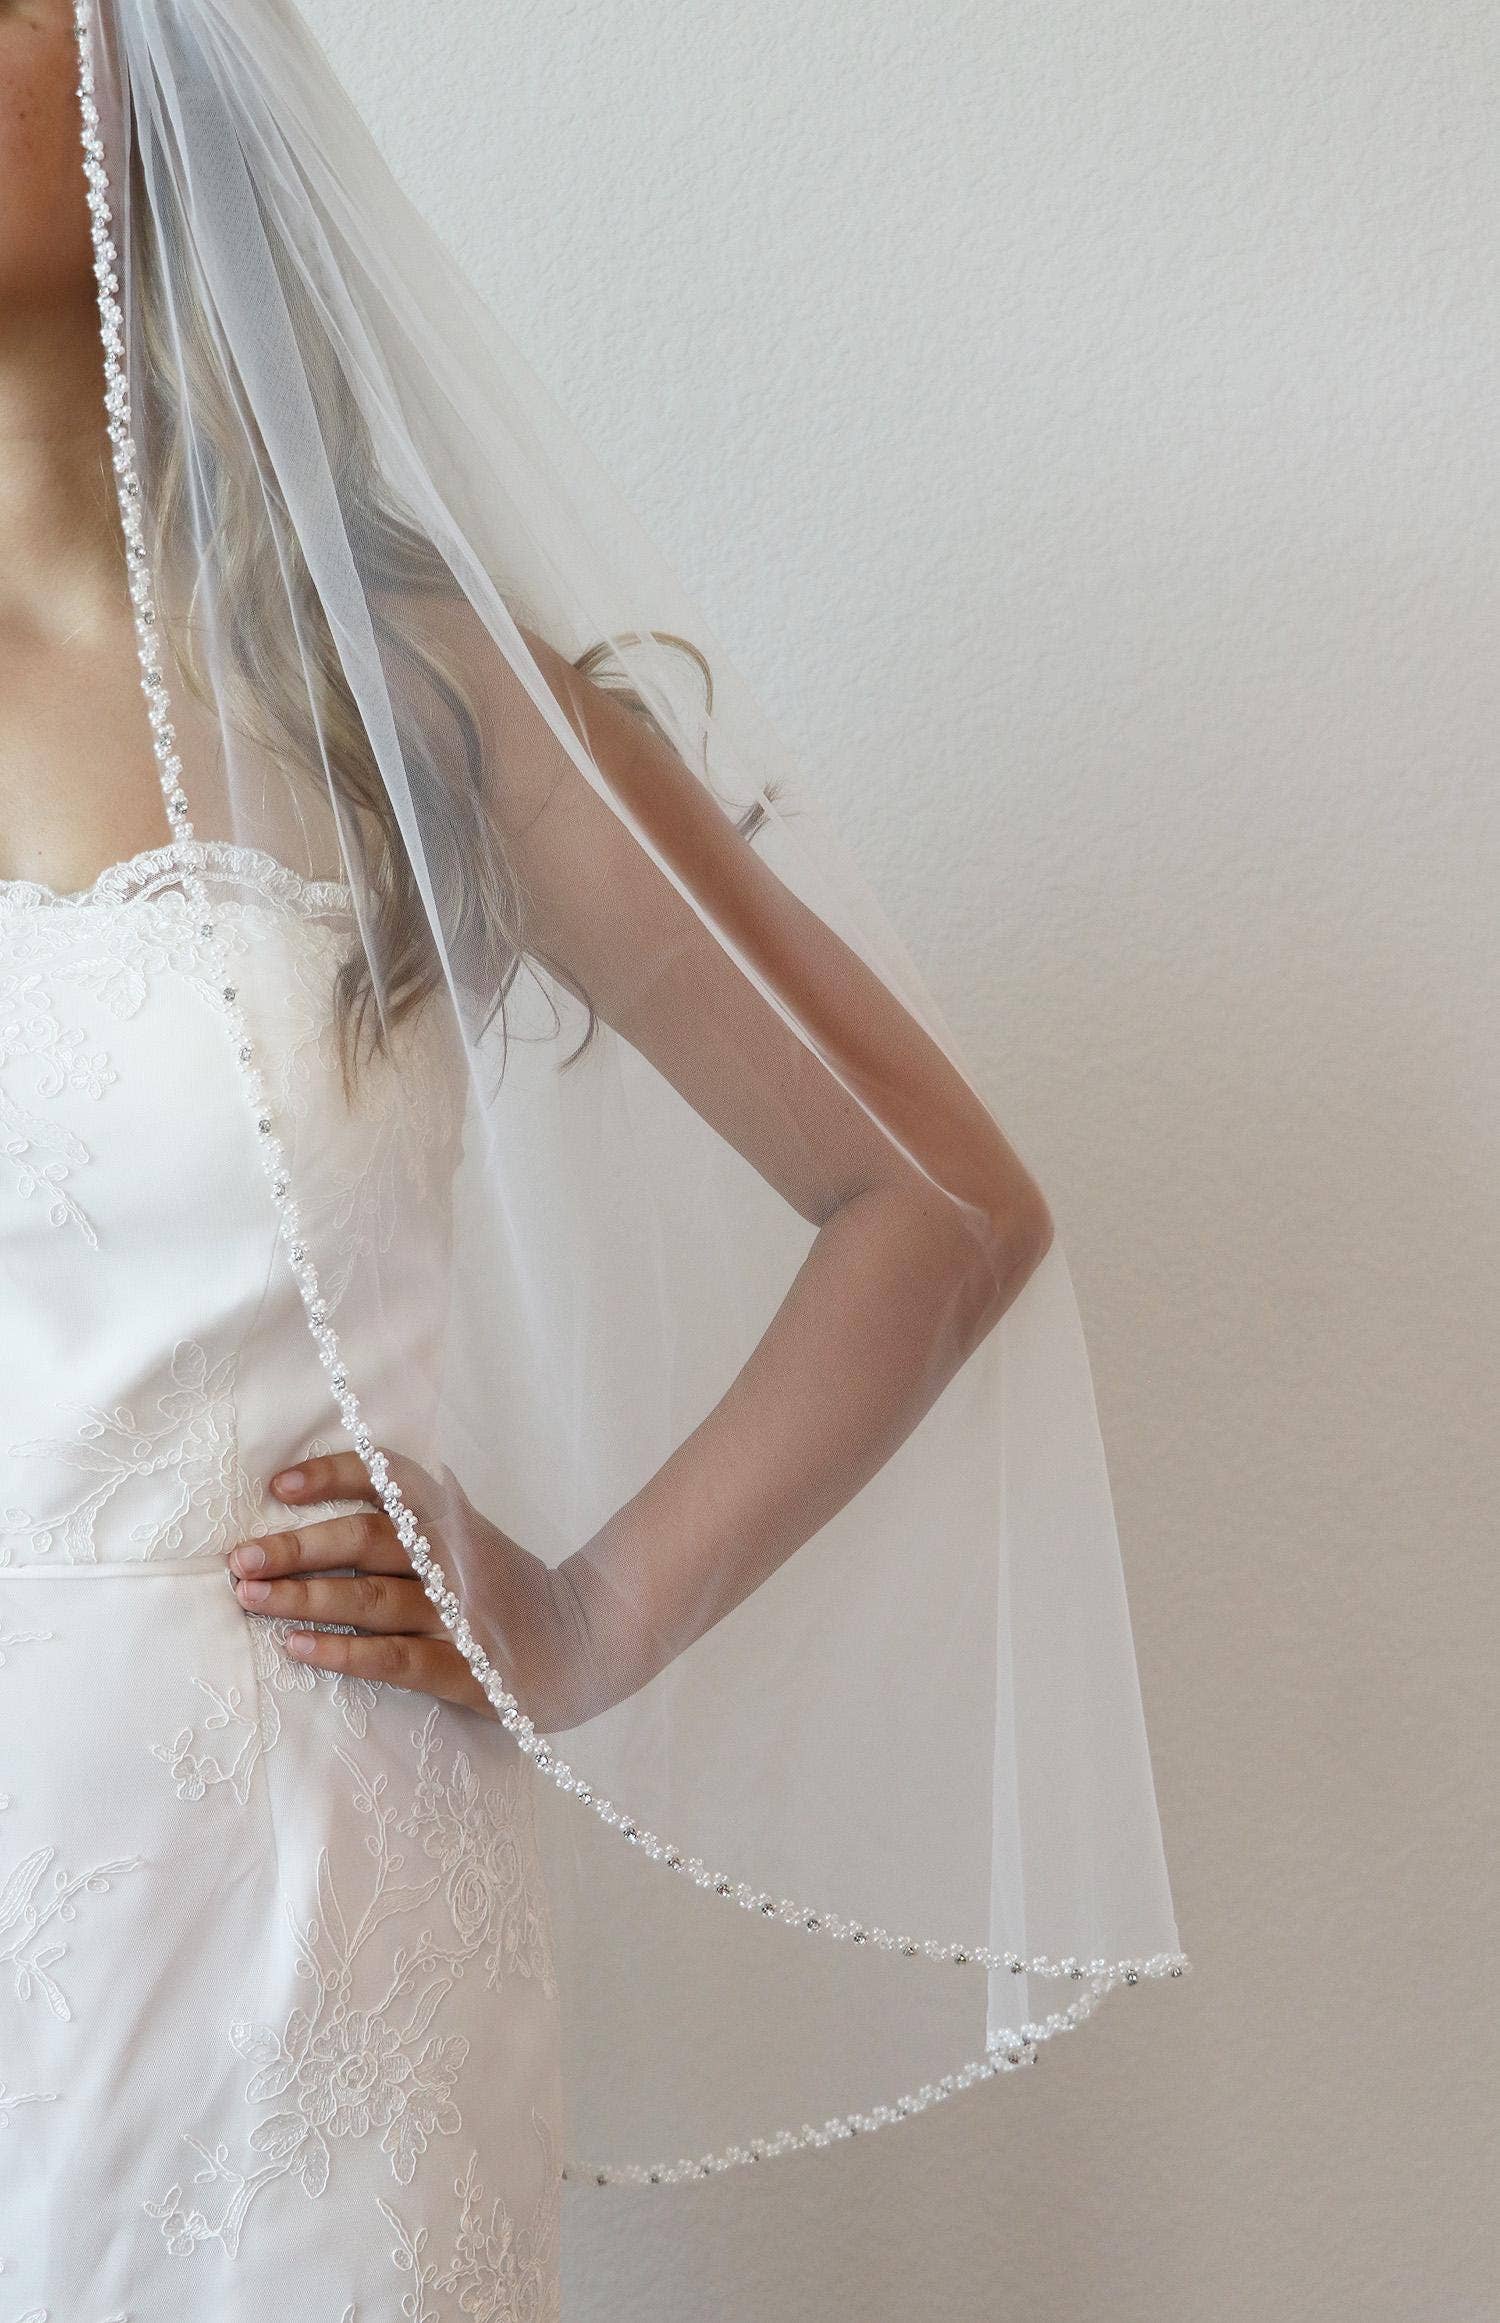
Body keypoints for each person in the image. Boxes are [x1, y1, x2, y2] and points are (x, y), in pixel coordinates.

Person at [0, 0, 1185, 2309]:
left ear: (162, 71)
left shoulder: (404, 693)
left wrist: (588, 1609)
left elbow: (937, 1204)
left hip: (302, 1932)